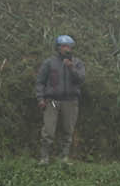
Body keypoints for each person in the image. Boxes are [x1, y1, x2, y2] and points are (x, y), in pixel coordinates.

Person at [35, 35, 85, 165]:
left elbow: (81, 79)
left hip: (71, 101)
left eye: (69, 46)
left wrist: (71, 68)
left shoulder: (77, 63)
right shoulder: (49, 63)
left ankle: (64, 158)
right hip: (52, 101)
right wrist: (40, 98)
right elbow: (40, 82)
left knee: (68, 131)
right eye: (63, 46)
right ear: (58, 48)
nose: (66, 49)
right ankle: (44, 158)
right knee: (48, 131)